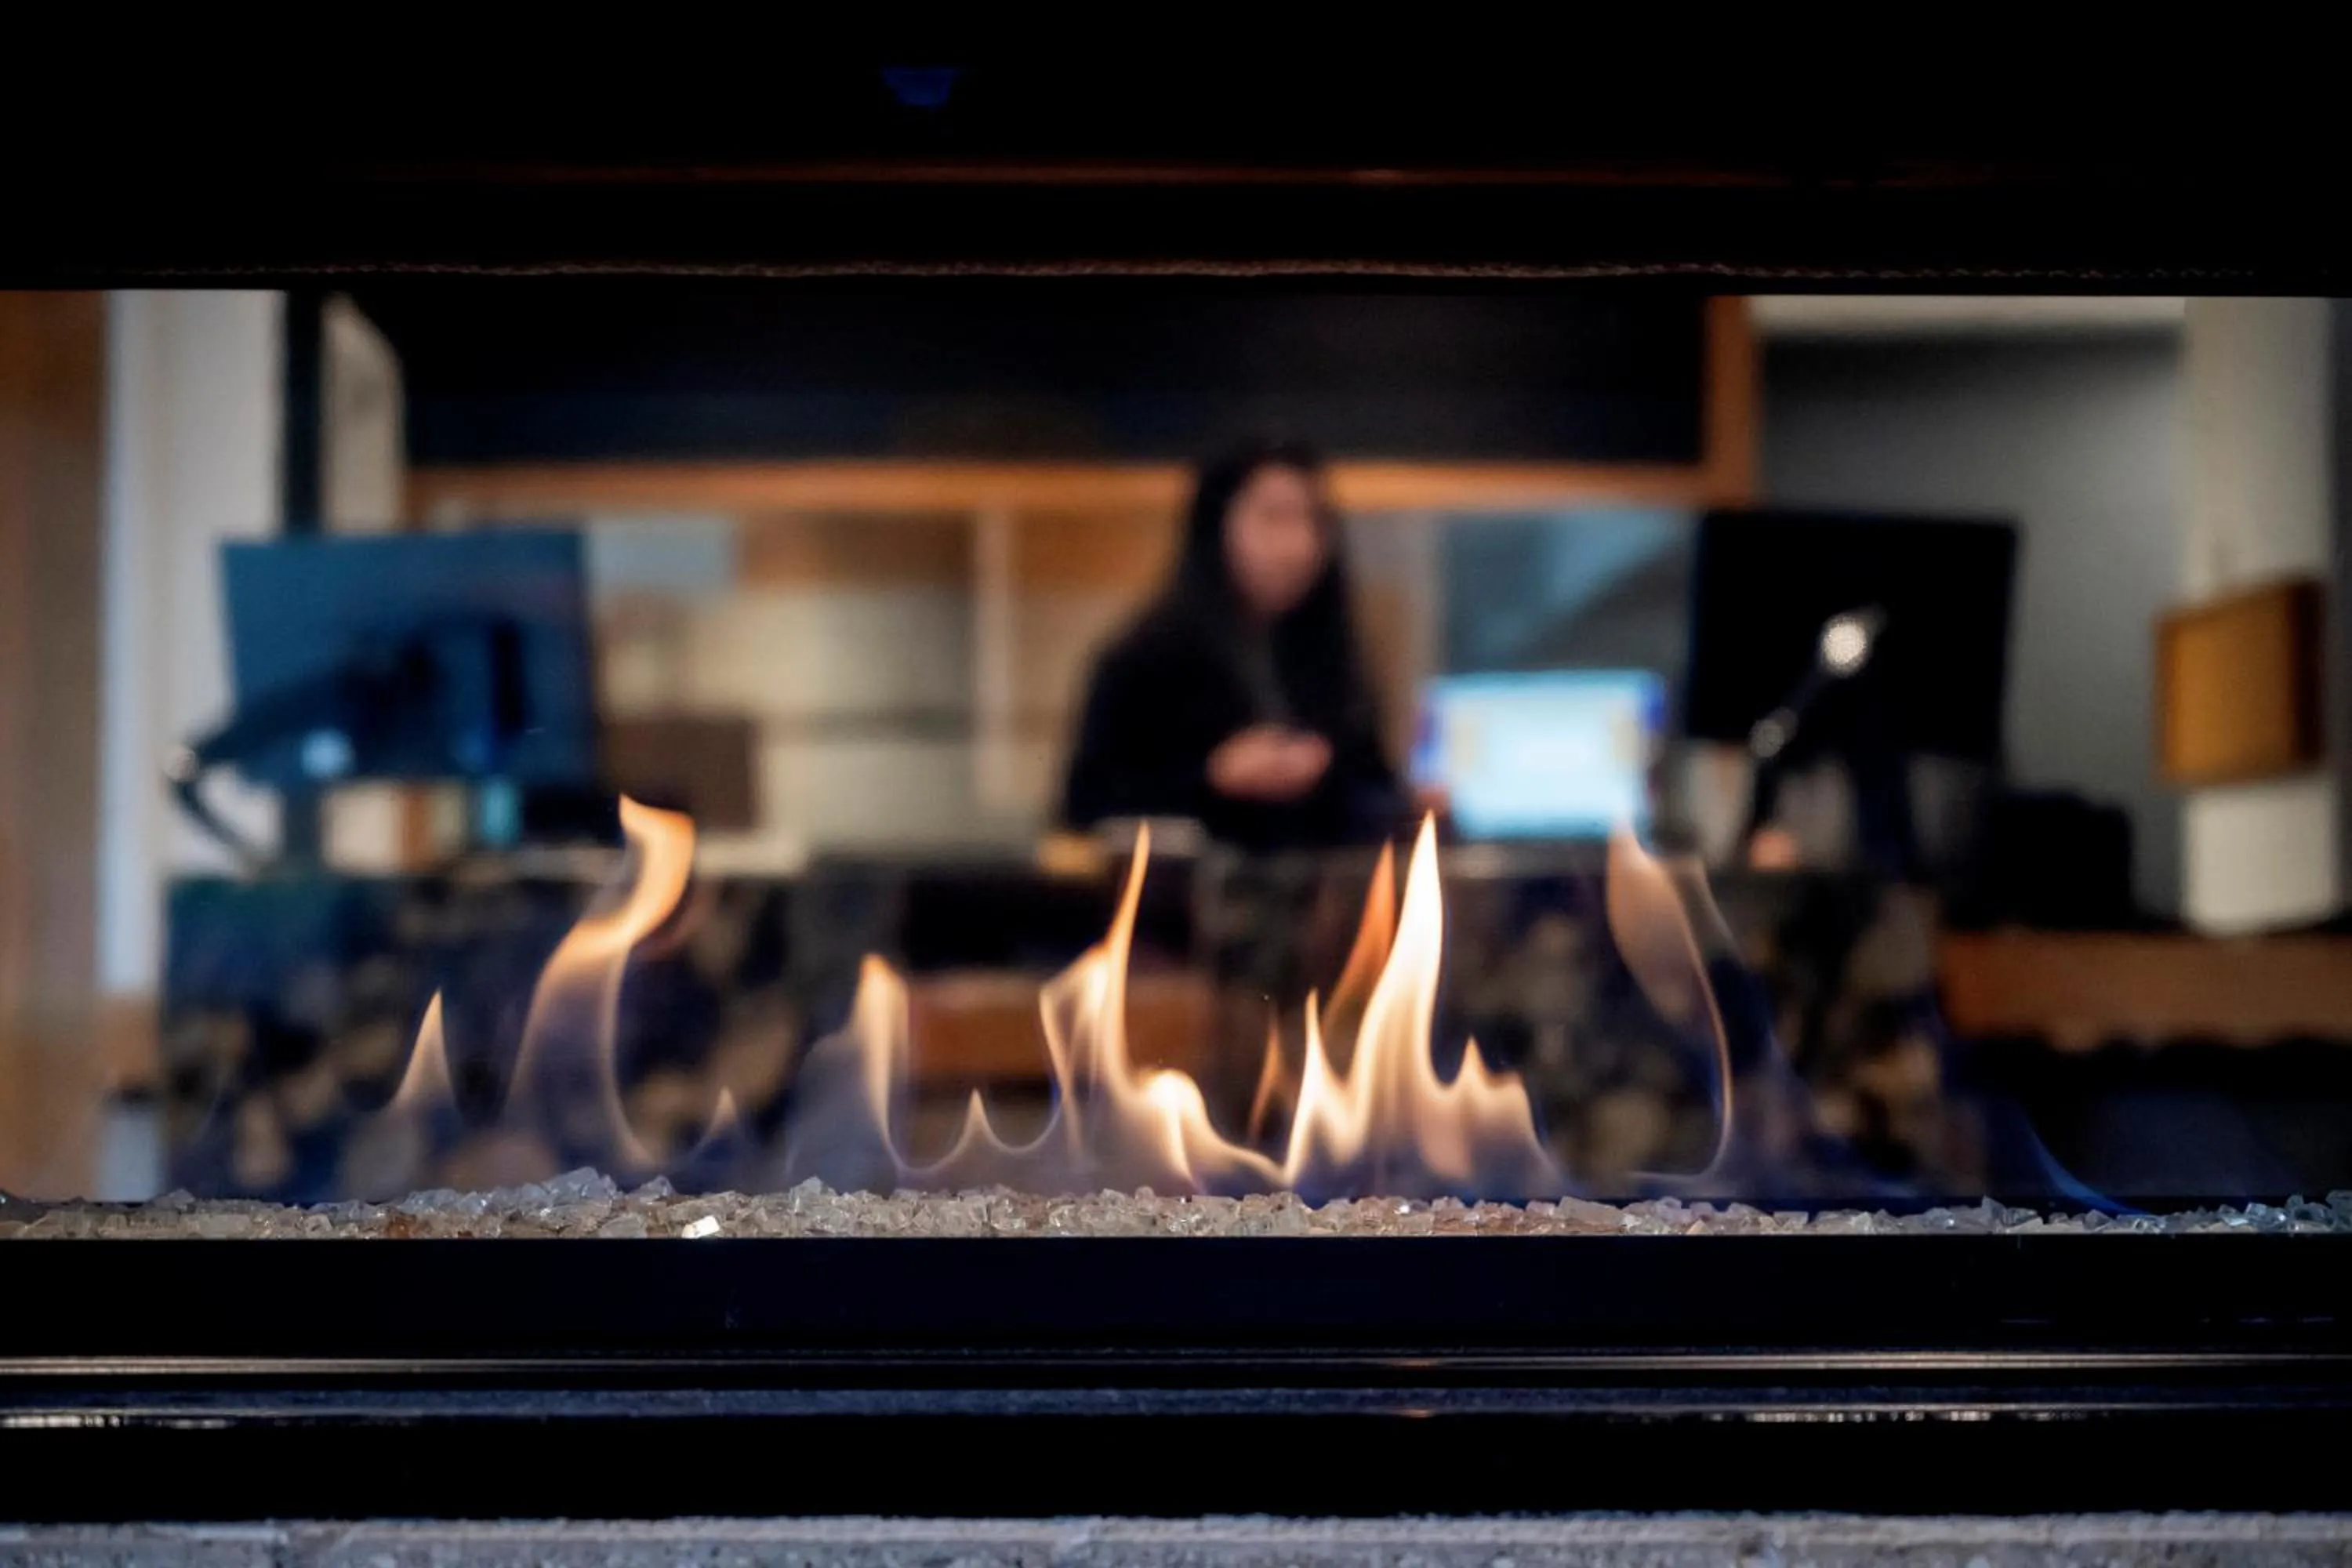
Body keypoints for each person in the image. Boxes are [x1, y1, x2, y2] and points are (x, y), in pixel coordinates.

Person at [1062, 438, 1414, 853]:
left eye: (1313, 522)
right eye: (1273, 518)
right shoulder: (1146, 658)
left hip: (1320, 906)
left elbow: (1364, 792)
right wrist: (1213, 777)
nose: (1298, 545)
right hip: (1179, 908)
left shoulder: (1332, 658)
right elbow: (1085, 806)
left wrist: (1410, 807)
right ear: (1215, 526)